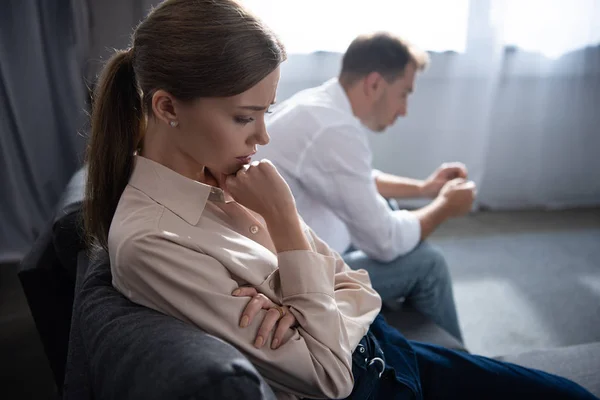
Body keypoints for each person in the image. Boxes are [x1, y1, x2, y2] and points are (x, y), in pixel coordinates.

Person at [83, 1, 598, 399]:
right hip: (376, 382)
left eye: (266, 112)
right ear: (168, 107)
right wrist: (284, 222)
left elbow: (362, 289)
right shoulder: (153, 239)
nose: (262, 138)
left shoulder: (221, 175)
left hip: (386, 350)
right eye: (244, 117)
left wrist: (304, 304)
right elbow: (331, 376)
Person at [255, 32, 473, 341]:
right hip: (290, 279)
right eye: (404, 94)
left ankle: (406, 339)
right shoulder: (333, 128)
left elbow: (356, 179)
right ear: (374, 84)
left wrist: (426, 188)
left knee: (392, 212)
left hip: (292, 248)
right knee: (428, 264)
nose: (404, 109)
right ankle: (458, 373)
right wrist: (445, 206)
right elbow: (384, 242)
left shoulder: (317, 104)